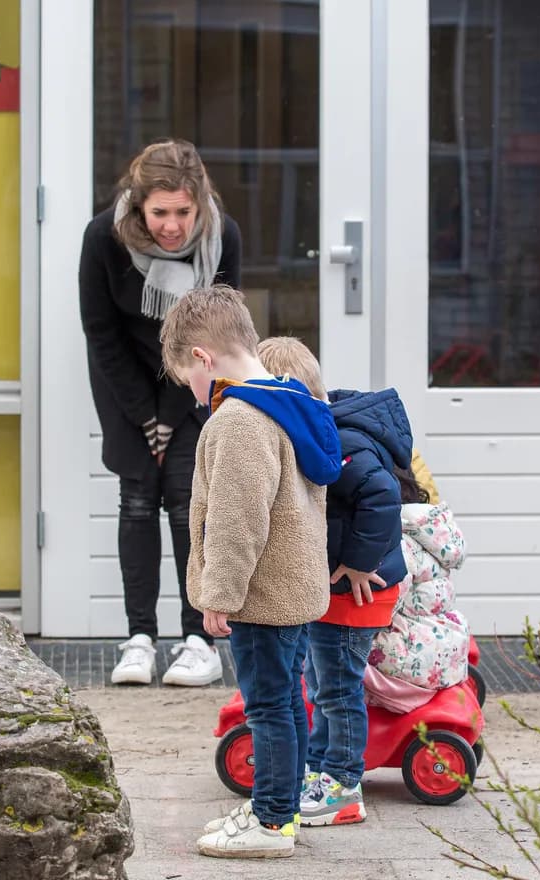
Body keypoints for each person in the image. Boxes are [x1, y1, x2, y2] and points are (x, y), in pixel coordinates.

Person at [161, 287, 342, 858]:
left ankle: (269, 824)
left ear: (203, 357)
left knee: (267, 705)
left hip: (260, 594)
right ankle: (278, 809)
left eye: (186, 376)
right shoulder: (290, 398)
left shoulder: (240, 420)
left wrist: (219, 594)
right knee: (286, 698)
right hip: (291, 587)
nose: (192, 391)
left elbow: (239, 520)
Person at [78, 140, 242, 687]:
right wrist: (143, 414)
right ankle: (140, 640)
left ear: (200, 203)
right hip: (124, 384)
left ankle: (200, 639)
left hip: (194, 380)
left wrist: (173, 411)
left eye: (183, 212)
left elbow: (214, 336)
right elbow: (101, 332)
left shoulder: (223, 241)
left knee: (187, 504)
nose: (172, 226)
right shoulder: (104, 237)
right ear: (138, 206)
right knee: (138, 500)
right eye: (160, 213)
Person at [256, 336, 410, 828]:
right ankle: (322, 771)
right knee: (320, 683)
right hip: (334, 594)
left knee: (338, 689)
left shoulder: (341, 441)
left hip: (358, 593)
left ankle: (343, 785)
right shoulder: (322, 432)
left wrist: (363, 562)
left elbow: (383, 495)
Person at [363, 467, 471, 714]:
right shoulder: (433, 530)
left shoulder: (397, 539)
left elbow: (385, 606)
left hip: (410, 659)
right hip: (447, 648)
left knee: (334, 654)